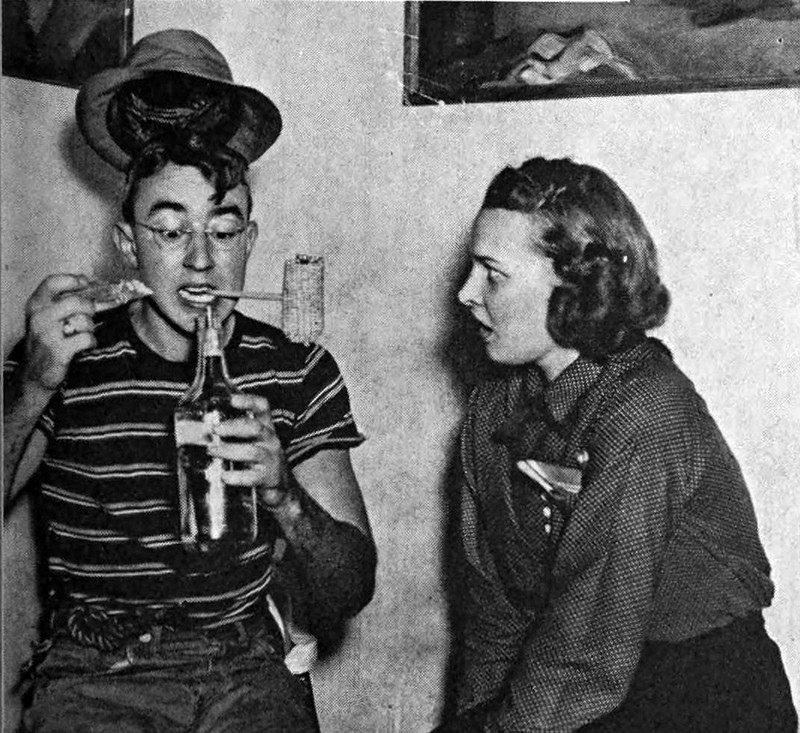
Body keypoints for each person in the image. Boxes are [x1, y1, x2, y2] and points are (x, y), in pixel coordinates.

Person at [3, 30, 376, 732]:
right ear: (128, 246)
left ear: (250, 241)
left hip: (245, 667)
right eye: (171, 232)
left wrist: (284, 496)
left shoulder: (296, 367)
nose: (202, 262)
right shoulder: (66, 357)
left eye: (224, 232)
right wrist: (34, 388)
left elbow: (352, 589)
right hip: (96, 673)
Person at [436, 157, 797, 732]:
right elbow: (495, 616)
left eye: (492, 274)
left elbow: (587, 652)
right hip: (569, 676)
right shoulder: (493, 411)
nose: (465, 293)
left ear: (575, 288)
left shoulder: (646, 411)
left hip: (700, 695)